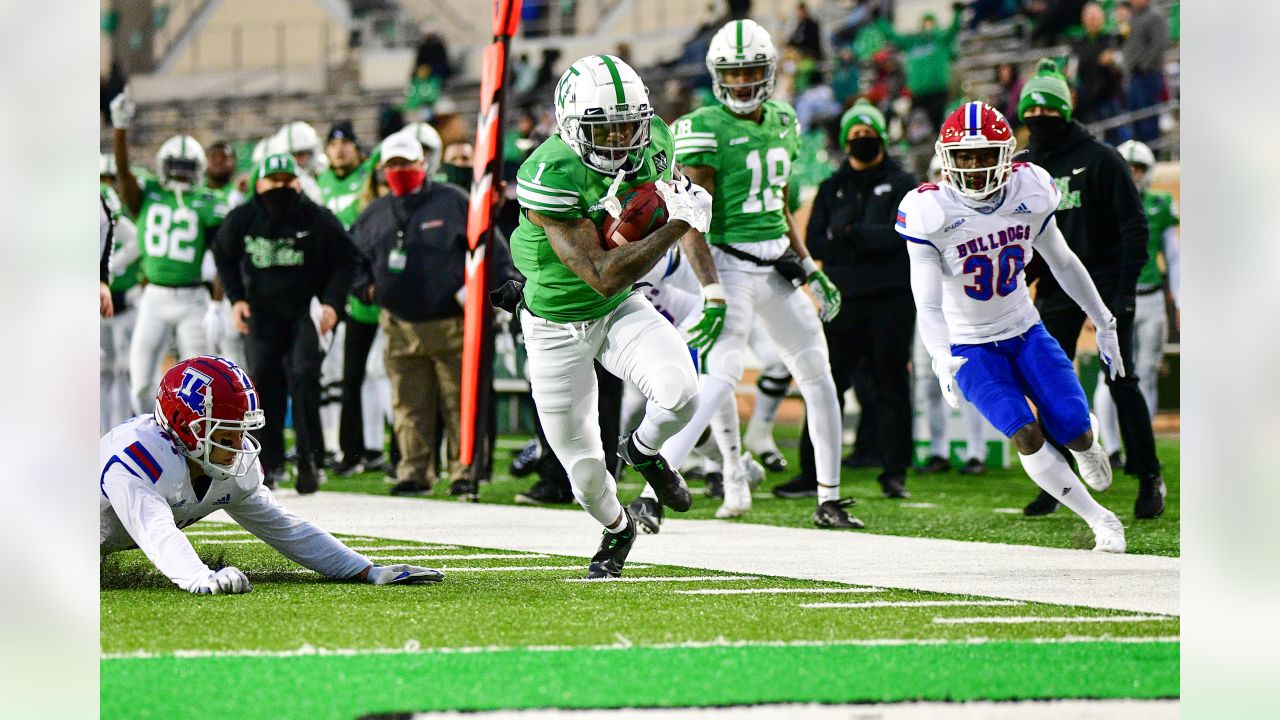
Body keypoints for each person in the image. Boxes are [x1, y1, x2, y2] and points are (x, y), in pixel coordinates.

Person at [508, 54, 713, 577]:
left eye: (629, 125)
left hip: (618, 308)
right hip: (556, 323)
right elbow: (599, 271)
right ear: (571, 126)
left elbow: (668, 196)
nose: (622, 139)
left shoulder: (657, 142)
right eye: (607, 128)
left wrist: (679, 198)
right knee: (584, 475)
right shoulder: (549, 171)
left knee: (682, 394)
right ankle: (619, 527)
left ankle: (643, 452)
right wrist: (677, 225)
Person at [655, 20, 857, 528]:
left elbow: (780, 205)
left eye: (751, 72)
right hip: (727, 263)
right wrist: (711, 287)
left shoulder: (785, 119)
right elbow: (689, 219)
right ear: (717, 74)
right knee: (721, 375)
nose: (743, 82)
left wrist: (810, 266)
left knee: (818, 372)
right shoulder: (703, 126)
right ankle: (654, 489)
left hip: (775, 267)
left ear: (768, 72)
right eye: (733, 72)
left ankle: (828, 498)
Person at [899, 100, 1127, 553]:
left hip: (1025, 329)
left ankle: (1086, 444)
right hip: (971, 346)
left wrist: (1104, 321)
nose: (976, 167)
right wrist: (940, 355)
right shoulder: (930, 211)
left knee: (1075, 428)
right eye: (965, 157)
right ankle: (1101, 520)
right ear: (947, 160)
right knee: (1025, 433)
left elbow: (1063, 261)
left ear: (1007, 156)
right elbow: (926, 302)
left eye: (985, 155)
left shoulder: (1032, 188)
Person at [100, 356, 443, 595]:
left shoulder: (224, 465)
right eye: (224, 436)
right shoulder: (139, 456)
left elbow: (286, 529)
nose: (238, 447)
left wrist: (366, 570)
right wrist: (199, 577)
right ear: (185, 431)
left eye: (239, 432)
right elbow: (155, 531)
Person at [1016, 59, 1165, 519]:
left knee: (1121, 380)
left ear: (1065, 111)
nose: (1039, 122)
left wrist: (1120, 292)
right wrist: (1024, 279)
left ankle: (1148, 474)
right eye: (1031, 115)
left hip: (1104, 286)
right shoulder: (1024, 167)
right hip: (1055, 292)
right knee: (1047, 384)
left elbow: (1134, 228)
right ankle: (1056, 479)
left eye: (1048, 113)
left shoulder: (1101, 159)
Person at [350, 132, 513, 497]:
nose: (399, 170)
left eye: (405, 163)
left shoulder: (453, 201)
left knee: (459, 401)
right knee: (408, 404)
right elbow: (351, 261)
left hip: (452, 322)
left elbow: (491, 248)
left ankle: (464, 471)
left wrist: (499, 290)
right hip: (398, 324)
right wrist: (367, 289)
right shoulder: (374, 213)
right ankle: (414, 470)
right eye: (392, 165)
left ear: (423, 163)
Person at [784, 100, 919, 499]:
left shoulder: (903, 183)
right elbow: (814, 243)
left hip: (890, 302)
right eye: (854, 135)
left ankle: (895, 473)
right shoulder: (831, 187)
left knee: (893, 386)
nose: (861, 139)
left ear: (881, 135)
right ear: (845, 141)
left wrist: (849, 234)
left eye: (867, 132)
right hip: (841, 302)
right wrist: (864, 237)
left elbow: (900, 238)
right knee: (826, 385)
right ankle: (811, 473)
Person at [212, 153, 356, 494]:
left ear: (298, 182)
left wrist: (333, 303)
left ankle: (310, 458)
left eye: (286, 181)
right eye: (273, 181)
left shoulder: (317, 217)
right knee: (263, 382)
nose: (280, 187)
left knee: (305, 376)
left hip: (305, 308)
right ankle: (269, 462)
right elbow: (223, 253)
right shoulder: (244, 217)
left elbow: (346, 259)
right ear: (260, 185)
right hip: (262, 310)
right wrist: (237, 299)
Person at [109, 91, 226, 415]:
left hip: (192, 300)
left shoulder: (208, 202)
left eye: (187, 168)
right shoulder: (146, 194)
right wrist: (120, 129)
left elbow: (224, 257)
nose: (180, 174)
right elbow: (123, 173)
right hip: (155, 298)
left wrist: (217, 303)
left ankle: (197, 444)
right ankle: (154, 436)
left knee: (201, 384)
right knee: (141, 381)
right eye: (176, 167)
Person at [1092, 139, 1178, 467]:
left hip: (1151, 296)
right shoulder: (1103, 204)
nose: (1132, 174)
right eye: (1127, 168)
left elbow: (1173, 256)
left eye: (1137, 168)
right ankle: (1112, 448)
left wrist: (1182, 300)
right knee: (1108, 372)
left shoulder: (1159, 203)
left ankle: (1142, 446)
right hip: (1113, 297)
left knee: (1147, 373)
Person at [317, 121, 394, 477]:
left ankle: (381, 448)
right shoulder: (319, 182)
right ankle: (350, 449)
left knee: (384, 372)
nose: (340, 149)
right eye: (334, 144)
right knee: (348, 376)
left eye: (347, 143)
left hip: (379, 281)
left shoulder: (368, 175)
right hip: (342, 285)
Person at [874, 6, 964, 131]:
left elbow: (954, 29)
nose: (927, 26)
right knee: (912, 122)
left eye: (930, 23)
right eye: (925, 23)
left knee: (937, 123)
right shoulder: (912, 42)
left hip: (938, 90)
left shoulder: (941, 39)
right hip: (918, 92)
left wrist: (958, 12)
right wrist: (879, 19)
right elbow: (892, 36)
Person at [101, 156, 142, 431]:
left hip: (123, 297)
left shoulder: (106, 202)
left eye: (108, 180)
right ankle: (105, 432)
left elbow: (135, 241)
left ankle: (122, 429)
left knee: (126, 370)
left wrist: (105, 269)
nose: (105, 186)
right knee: (103, 371)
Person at [1120, 0, 1169, 143]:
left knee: (1148, 120)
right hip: (1133, 76)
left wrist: (1143, 66)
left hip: (1148, 76)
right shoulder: (1133, 17)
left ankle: (1153, 154)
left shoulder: (1155, 16)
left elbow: (1159, 45)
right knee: (1135, 120)